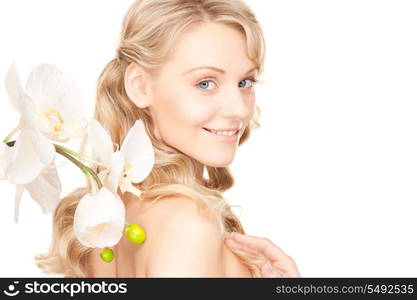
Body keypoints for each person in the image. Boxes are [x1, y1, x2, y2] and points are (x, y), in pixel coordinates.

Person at [35, 0, 301, 278]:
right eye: (205, 83)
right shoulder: (188, 223)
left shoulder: (105, 217)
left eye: (245, 82)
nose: (238, 109)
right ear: (140, 85)